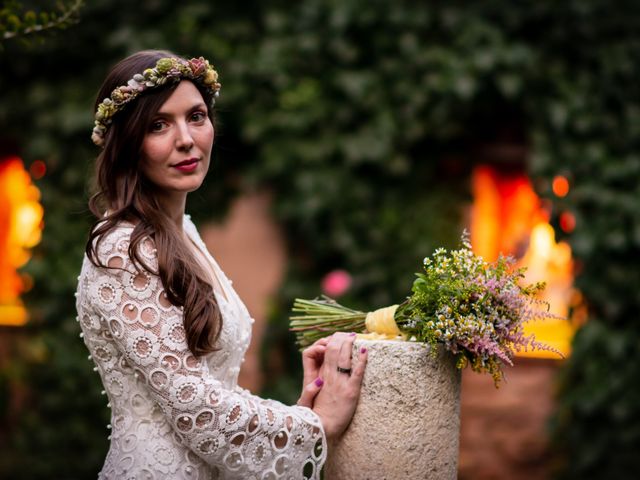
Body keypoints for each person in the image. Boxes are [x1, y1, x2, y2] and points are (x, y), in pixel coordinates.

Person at [75, 50, 368, 479]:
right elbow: (197, 409)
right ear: (128, 144)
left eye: (196, 116)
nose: (186, 139)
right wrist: (316, 424)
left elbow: (211, 385)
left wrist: (301, 408)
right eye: (158, 125)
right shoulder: (122, 249)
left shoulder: (185, 235)